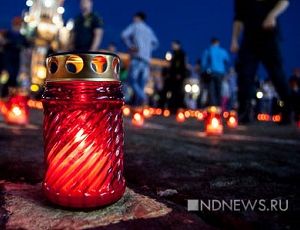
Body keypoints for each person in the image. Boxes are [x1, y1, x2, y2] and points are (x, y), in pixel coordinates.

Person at [231, 0, 291, 124]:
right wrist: (235, 39)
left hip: (268, 35)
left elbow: (284, 2)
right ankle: (244, 112)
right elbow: (238, 18)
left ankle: (288, 111)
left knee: (277, 74)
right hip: (249, 38)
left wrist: (272, 15)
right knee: (245, 75)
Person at [121, 12, 159, 106]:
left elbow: (124, 35)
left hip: (137, 57)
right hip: (146, 60)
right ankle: (139, 105)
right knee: (141, 83)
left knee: (132, 80)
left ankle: (142, 97)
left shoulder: (135, 26)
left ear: (138, 18)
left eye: (134, 18)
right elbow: (156, 43)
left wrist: (131, 46)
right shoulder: (148, 30)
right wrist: (148, 50)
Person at [1, 17, 28, 98]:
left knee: (14, 76)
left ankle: (10, 95)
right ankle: (4, 93)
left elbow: (26, 44)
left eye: (19, 24)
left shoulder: (21, 36)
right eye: (17, 24)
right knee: (7, 75)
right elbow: (3, 42)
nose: (18, 26)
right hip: (7, 59)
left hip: (16, 59)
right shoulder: (8, 34)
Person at [202, 37, 230, 107]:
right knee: (219, 89)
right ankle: (219, 105)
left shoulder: (208, 50)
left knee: (211, 89)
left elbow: (204, 63)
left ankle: (213, 106)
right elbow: (227, 61)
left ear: (211, 43)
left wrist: (203, 71)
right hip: (221, 73)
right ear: (218, 42)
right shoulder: (223, 51)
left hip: (212, 73)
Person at [167, 40, 187, 112]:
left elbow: (181, 65)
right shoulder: (175, 53)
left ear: (178, 45)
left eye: (173, 45)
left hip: (178, 76)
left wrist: (179, 74)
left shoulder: (180, 54)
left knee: (177, 91)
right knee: (173, 91)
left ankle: (177, 107)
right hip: (174, 75)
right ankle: (173, 107)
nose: (172, 47)